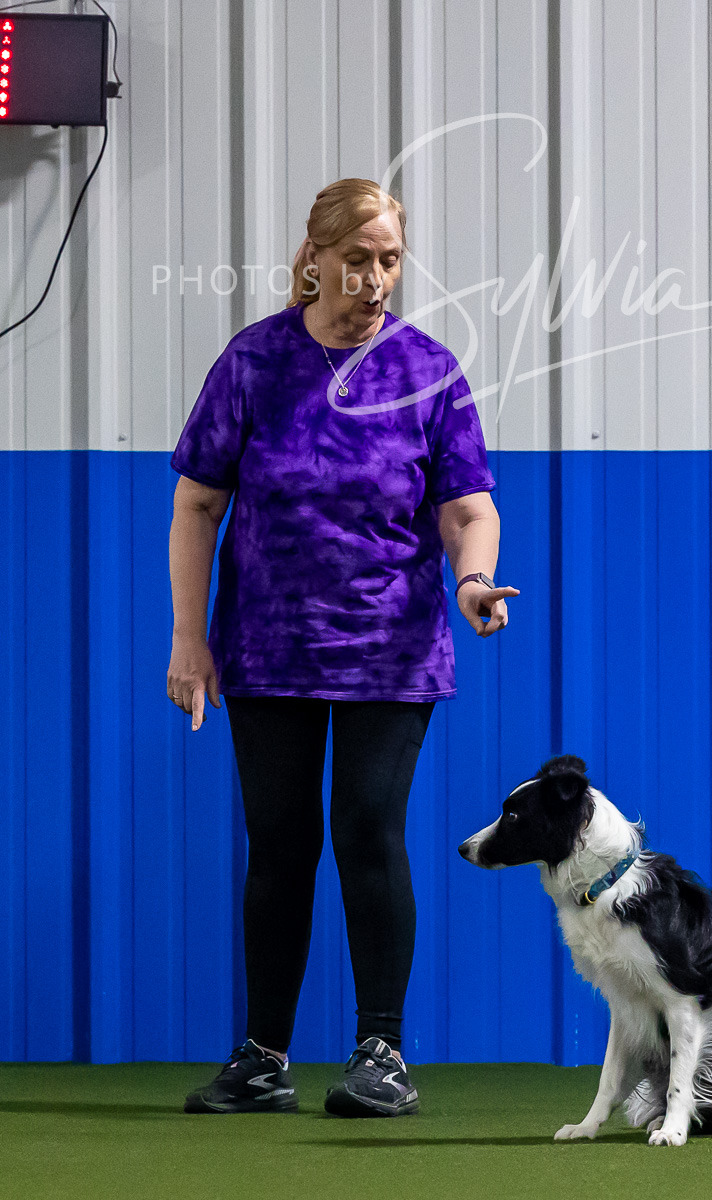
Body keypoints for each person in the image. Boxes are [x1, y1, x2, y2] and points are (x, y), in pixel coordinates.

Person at [167, 178, 519, 1117]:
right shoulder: (254, 362)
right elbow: (198, 504)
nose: (374, 278)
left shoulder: (430, 369)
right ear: (315, 257)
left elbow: (467, 509)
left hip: (389, 649)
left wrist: (474, 582)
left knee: (368, 832)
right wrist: (190, 640)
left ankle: (381, 1056)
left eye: (389, 260)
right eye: (356, 259)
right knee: (279, 846)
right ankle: (262, 1059)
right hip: (267, 646)